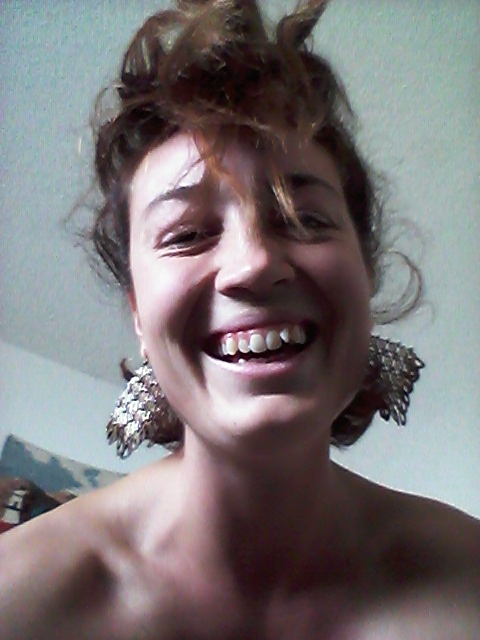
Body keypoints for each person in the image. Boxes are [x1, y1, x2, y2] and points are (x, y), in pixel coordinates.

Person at [1, 1, 479, 638]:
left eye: (304, 219)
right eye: (187, 234)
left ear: (363, 275)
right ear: (138, 312)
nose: (254, 265)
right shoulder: (18, 598)